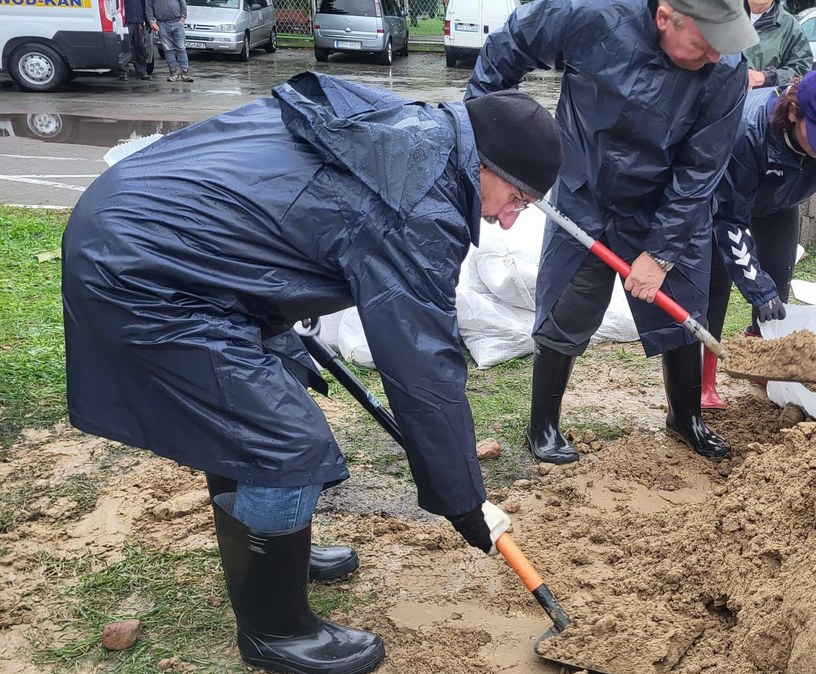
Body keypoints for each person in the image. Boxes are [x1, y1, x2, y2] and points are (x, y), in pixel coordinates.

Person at [61, 72, 562, 674]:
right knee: (282, 439)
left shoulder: (406, 133)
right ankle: (276, 632)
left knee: (255, 404)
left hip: (159, 238)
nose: (510, 221)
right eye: (518, 201)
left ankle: (275, 552)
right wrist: (463, 498)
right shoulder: (418, 198)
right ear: (487, 166)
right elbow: (423, 367)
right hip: (143, 269)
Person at [466, 0, 758, 464]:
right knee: (568, 301)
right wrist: (482, 137)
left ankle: (686, 417)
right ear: (666, 16)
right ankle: (541, 424)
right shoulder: (592, 13)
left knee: (683, 308)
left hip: (667, 199)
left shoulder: (726, 70)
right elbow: (511, 44)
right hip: (587, 185)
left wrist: (660, 254)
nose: (717, 57)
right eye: (706, 45)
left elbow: (701, 168)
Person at [703, 67, 816, 409]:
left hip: (778, 204)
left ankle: (764, 364)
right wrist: (755, 290)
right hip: (722, 202)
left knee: (778, 283)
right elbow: (730, 219)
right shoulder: (747, 130)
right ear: (793, 113)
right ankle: (704, 380)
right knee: (716, 284)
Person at [743, 0, 812, 89]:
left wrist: (766, 77)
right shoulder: (723, 16)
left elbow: (802, 70)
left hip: (761, 100)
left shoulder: (790, 27)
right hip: (722, 97)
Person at [146, 0, 193, 82]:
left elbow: (182, 3)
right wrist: (151, 21)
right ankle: (173, 73)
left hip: (177, 22)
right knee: (168, 49)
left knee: (181, 48)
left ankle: (184, 73)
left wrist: (183, 18)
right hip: (162, 24)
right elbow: (148, 7)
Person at [119, 0, 152, 81]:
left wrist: (147, 21)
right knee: (125, 48)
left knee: (140, 48)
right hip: (125, 22)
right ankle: (123, 72)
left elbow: (144, 6)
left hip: (138, 23)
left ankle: (142, 72)